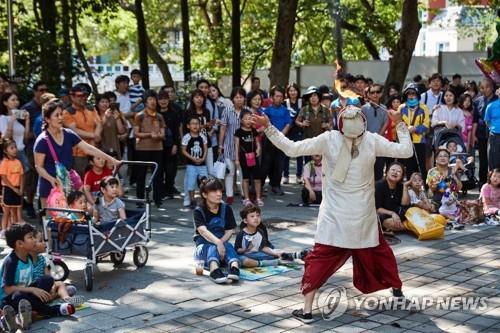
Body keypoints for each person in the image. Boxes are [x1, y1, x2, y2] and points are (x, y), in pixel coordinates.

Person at [253, 103, 413, 323]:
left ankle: (307, 311)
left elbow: (290, 148)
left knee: (319, 261)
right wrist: (400, 124)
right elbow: (406, 151)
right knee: (381, 254)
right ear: (364, 123)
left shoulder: (329, 139)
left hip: (334, 219)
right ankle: (397, 290)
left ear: (340, 124)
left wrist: (269, 127)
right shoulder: (372, 140)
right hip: (363, 219)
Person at [34, 99, 120, 208]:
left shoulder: (68, 134)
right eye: (57, 115)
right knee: (52, 221)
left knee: (74, 218)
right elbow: (39, 167)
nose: (61, 118)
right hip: (50, 185)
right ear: (47, 119)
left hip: (69, 183)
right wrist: (52, 180)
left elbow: (89, 149)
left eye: (61, 114)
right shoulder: (42, 141)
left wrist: (112, 160)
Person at [0, 224, 75, 332]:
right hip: (9, 299)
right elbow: (7, 289)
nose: (34, 240)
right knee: (19, 295)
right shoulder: (11, 262)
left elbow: (39, 254)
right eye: (30, 237)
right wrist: (32, 289)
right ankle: (53, 310)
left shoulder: (29, 257)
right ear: (20, 243)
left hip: (24, 296)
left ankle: (26, 315)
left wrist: (43, 290)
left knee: (47, 280)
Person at [192, 177, 240, 284]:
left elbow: (229, 230)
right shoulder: (198, 211)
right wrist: (218, 243)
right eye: (214, 191)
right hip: (204, 248)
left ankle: (234, 269)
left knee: (229, 246)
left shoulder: (226, 208)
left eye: (220, 190)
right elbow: (203, 231)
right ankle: (214, 270)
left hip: (222, 246)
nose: (219, 194)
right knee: (212, 247)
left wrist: (221, 243)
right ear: (204, 194)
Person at [235, 204, 308, 268]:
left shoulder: (260, 232)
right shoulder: (241, 234)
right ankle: (276, 261)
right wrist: (246, 250)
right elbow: (237, 250)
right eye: (252, 216)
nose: (256, 218)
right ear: (245, 221)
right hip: (245, 255)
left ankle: (292, 255)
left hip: (258, 254)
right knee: (244, 260)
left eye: (258, 215)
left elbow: (263, 247)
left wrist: (275, 253)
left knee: (273, 253)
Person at [29, 230, 84, 306]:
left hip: (45, 287)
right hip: (35, 290)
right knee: (67, 289)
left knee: (61, 284)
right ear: (31, 245)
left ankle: (66, 299)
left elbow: (48, 277)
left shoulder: (42, 259)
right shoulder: (26, 261)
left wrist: (52, 288)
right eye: (41, 241)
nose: (44, 243)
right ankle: (52, 297)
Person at [133, 90, 165, 207]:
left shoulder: (160, 116)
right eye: (150, 99)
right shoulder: (139, 115)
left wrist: (159, 136)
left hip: (157, 148)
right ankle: (140, 199)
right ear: (145, 102)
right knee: (141, 174)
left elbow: (163, 134)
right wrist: (149, 135)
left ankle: (158, 198)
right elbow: (136, 133)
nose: (153, 102)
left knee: (158, 174)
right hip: (142, 149)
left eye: (154, 99)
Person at [62, 85, 102, 177]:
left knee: (95, 179)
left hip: (94, 150)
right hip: (78, 154)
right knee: (80, 181)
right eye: (80, 96)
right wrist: (94, 135)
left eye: (85, 95)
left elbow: (99, 123)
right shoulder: (68, 112)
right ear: (72, 96)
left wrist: (97, 134)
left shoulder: (91, 109)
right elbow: (74, 131)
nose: (84, 98)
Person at [218, 87, 247, 205]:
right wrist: (220, 145)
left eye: (241, 97)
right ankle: (229, 195)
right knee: (230, 172)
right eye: (236, 97)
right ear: (232, 99)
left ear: (244, 98)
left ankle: (244, 195)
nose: (239, 99)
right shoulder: (227, 111)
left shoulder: (248, 111)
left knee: (243, 172)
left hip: (245, 147)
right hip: (229, 145)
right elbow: (223, 128)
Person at [262, 86, 291, 196]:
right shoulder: (267, 111)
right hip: (269, 141)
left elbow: (288, 124)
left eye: (281, 96)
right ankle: (261, 186)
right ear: (272, 97)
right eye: (277, 96)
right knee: (266, 164)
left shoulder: (285, 111)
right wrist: (273, 137)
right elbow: (266, 125)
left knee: (280, 164)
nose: (279, 98)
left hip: (281, 141)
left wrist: (280, 136)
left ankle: (276, 185)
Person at [399, 83, 430, 180]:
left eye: (414, 93)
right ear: (406, 95)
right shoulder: (401, 108)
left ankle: (423, 189)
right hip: (405, 141)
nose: (411, 95)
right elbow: (398, 124)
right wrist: (405, 129)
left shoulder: (423, 108)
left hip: (419, 141)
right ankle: (409, 189)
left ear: (417, 95)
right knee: (408, 166)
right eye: (409, 93)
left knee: (420, 167)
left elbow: (426, 125)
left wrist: (415, 129)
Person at [234, 110, 263, 207]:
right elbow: (236, 146)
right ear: (241, 120)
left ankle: (258, 198)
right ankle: (246, 199)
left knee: (257, 179)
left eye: (250, 118)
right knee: (245, 179)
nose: (248, 120)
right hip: (243, 158)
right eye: (245, 118)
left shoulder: (253, 130)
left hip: (254, 157)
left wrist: (258, 148)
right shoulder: (238, 132)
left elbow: (257, 142)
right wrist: (237, 159)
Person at [473, 79, 498, 185]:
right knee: (483, 159)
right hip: (481, 134)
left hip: (495, 134)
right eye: (482, 87)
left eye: (487, 86)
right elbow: (474, 119)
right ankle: (483, 183)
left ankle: (496, 182)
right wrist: (473, 135)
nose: (485, 89)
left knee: (495, 160)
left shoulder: (497, 99)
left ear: (492, 87)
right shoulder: (477, 101)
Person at [362, 84, 389, 180]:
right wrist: (369, 138)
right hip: (366, 143)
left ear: (381, 94)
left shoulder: (384, 108)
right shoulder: (364, 109)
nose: (375, 94)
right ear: (368, 94)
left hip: (379, 143)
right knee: (366, 171)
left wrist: (377, 137)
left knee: (379, 170)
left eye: (377, 92)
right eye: (372, 92)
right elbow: (362, 125)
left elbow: (385, 124)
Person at [158, 90, 181, 199]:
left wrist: (176, 145)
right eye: (161, 99)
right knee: (160, 169)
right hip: (158, 145)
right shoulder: (155, 114)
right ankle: (161, 191)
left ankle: (169, 189)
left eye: (165, 99)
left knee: (171, 170)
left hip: (171, 145)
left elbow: (177, 131)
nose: (163, 101)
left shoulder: (174, 113)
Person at [184, 89, 213, 175]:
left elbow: (208, 127)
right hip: (193, 144)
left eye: (201, 97)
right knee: (194, 170)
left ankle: (208, 188)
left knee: (210, 169)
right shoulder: (188, 112)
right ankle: (193, 188)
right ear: (192, 99)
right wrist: (204, 125)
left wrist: (210, 126)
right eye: (196, 97)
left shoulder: (206, 111)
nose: (199, 99)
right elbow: (187, 128)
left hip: (206, 142)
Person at [182, 116, 208, 209]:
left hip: (202, 164)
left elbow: (205, 148)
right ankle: (192, 200)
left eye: (197, 123)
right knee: (191, 183)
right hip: (191, 165)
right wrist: (192, 158)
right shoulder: (187, 137)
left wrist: (203, 158)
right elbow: (184, 150)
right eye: (193, 124)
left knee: (205, 182)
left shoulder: (202, 136)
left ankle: (205, 200)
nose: (195, 126)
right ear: (188, 126)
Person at [375, 162, 410, 232]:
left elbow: (405, 204)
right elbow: (377, 208)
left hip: (399, 214)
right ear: (387, 172)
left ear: (402, 176)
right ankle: (411, 227)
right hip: (384, 215)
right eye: (393, 170)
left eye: (399, 171)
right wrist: (392, 213)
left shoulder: (401, 186)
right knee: (388, 222)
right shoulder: (379, 185)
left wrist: (405, 187)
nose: (395, 172)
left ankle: (408, 227)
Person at [0, 139, 24, 232]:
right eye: (11, 148)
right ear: (5, 151)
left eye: (15, 147)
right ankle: (3, 230)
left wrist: (21, 189)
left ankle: (15, 230)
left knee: (15, 211)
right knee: (6, 212)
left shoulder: (18, 162)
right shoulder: (4, 163)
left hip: (17, 189)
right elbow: (4, 178)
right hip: (8, 189)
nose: (15, 150)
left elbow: (22, 176)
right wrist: (14, 189)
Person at [95, 94, 127, 159]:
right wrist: (105, 118)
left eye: (106, 102)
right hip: (100, 147)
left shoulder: (113, 116)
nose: (105, 104)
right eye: (102, 102)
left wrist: (117, 118)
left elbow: (121, 131)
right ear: (97, 104)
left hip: (114, 146)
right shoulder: (95, 116)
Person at [283, 83, 303, 184]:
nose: (293, 92)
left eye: (294, 90)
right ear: (287, 92)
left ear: (298, 91)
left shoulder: (302, 102)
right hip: (287, 131)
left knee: (299, 153)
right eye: (290, 90)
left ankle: (299, 176)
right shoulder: (284, 103)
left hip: (299, 130)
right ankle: (285, 176)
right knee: (286, 153)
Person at [485, 92, 500, 170]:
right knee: (493, 163)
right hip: (495, 136)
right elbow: (487, 121)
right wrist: (494, 129)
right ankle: (491, 181)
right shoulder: (491, 106)